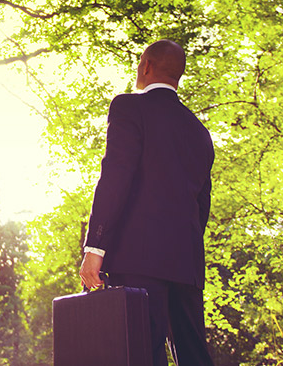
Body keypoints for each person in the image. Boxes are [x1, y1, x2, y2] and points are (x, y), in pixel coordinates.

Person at [79, 39, 215, 366]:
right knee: (194, 355)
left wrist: (95, 247)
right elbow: (202, 206)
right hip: (187, 263)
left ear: (146, 66)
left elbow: (116, 175)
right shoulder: (200, 131)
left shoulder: (129, 107)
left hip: (138, 260)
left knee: (142, 352)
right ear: (178, 75)